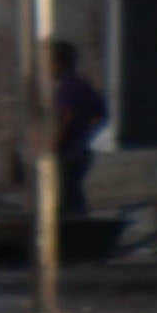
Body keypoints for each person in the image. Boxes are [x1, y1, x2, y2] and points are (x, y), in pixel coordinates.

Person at [46, 40, 110, 223]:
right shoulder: (83, 84)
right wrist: (88, 134)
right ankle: (78, 227)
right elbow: (102, 113)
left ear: (58, 63)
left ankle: (73, 231)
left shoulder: (67, 87)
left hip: (69, 151)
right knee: (72, 192)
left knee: (66, 194)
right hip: (82, 150)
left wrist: (53, 145)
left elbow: (66, 118)